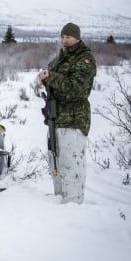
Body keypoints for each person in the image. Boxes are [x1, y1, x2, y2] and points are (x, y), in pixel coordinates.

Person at [38, 22, 96, 204]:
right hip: (55, 117)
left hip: (73, 119)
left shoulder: (85, 59)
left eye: (69, 37)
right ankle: (59, 199)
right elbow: (52, 83)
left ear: (77, 37)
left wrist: (51, 77)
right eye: (63, 37)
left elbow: (77, 89)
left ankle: (73, 203)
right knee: (55, 161)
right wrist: (43, 78)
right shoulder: (60, 58)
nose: (65, 40)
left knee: (71, 162)